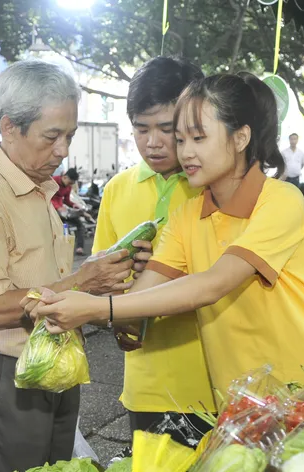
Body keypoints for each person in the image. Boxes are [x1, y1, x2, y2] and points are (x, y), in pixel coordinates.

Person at [32, 72, 304, 393]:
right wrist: (76, 297)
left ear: (240, 138)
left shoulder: (281, 201)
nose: (186, 152)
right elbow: (142, 297)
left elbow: (212, 284)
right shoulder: (187, 214)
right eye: (182, 139)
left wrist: (98, 308)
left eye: (199, 138)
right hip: (242, 399)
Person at [0, 60, 136, 472]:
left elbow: (49, 283)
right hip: (7, 376)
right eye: (51, 136)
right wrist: (84, 283)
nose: (63, 150)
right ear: (9, 127)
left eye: (68, 135)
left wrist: (92, 278)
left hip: (53, 365)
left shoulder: (37, 193)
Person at [92, 56, 215, 443]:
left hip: (212, 382)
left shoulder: (214, 187)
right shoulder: (118, 189)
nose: (153, 142)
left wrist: (166, 270)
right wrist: (118, 309)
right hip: (144, 384)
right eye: (141, 129)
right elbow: (101, 281)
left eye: (167, 129)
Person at [52, 167, 93, 255]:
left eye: (72, 183)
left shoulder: (68, 187)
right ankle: (57, 250)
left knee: (80, 225)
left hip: (62, 211)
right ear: (65, 177)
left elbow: (67, 200)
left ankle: (79, 248)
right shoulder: (52, 182)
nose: (70, 185)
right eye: (70, 182)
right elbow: (47, 197)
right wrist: (58, 207)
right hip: (52, 211)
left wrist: (76, 206)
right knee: (59, 228)